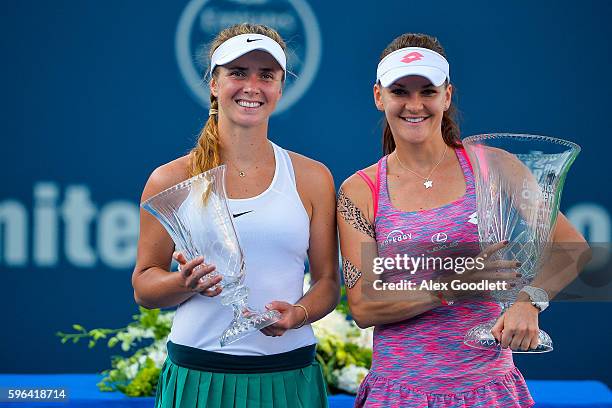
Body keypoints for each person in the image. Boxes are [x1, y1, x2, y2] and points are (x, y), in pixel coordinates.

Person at [337, 33, 588, 407]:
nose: (414, 104)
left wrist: (528, 301)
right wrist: (449, 285)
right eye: (399, 91)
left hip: (489, 391)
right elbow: (364, 307)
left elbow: (574, 249)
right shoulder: (359, 190)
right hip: (397, 394)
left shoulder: (496, 166)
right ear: (379, 96)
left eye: (427, 91)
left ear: (447, 95)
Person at [132, 23, 339, 408]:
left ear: (280, 87)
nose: (252, 86)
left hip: (289, 378)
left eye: (266, 75)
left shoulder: (313, 177)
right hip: (199, 379)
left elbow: (328, 282)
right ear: (214, 84)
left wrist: (298, 314)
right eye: (238, 73)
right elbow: (144, 286)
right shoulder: (170, 178)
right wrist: (185, 283)